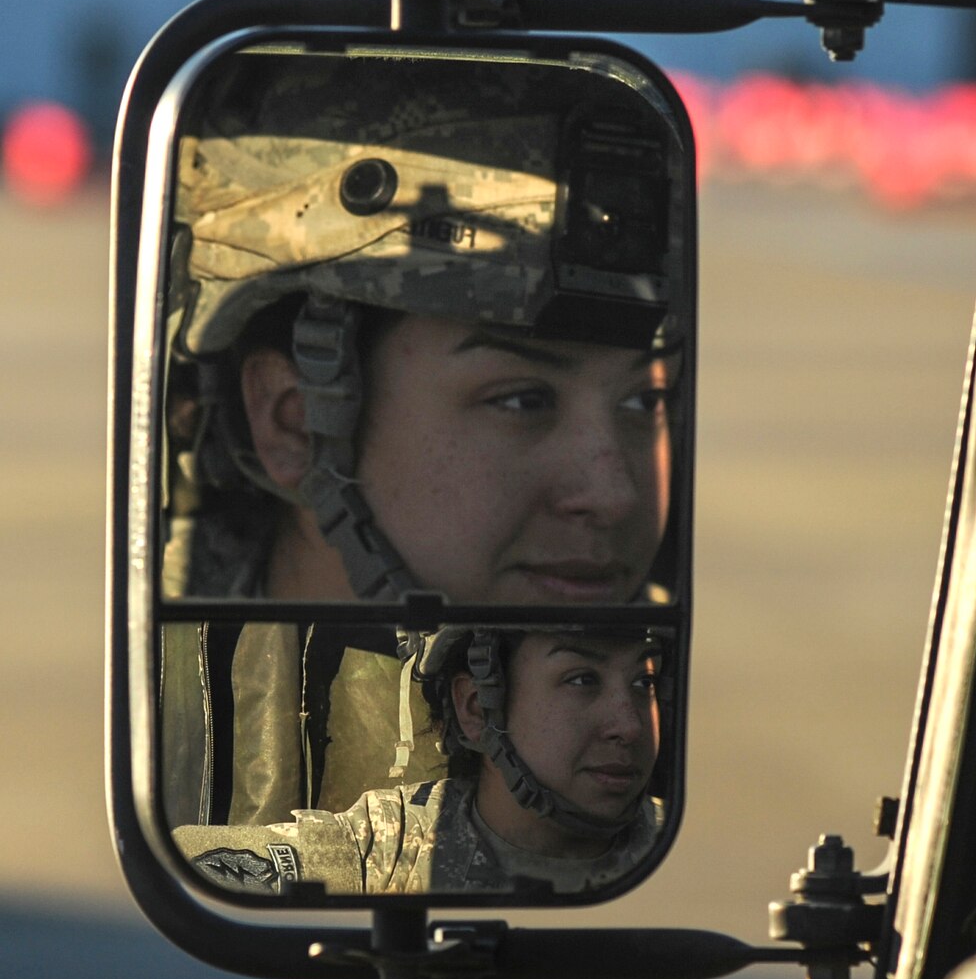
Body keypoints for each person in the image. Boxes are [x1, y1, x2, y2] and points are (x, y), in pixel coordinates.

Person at [156, 46, 694, 832]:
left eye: (644, 401)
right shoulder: (178, 730)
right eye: (521, 399)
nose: (612, 493)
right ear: (296, 422)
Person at [173, 627, 669, 896]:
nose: (628, 725)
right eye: (582, 680)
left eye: (643, 682)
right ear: (476, 709)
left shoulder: (670, 848)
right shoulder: (391, 844)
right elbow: (185, 866)